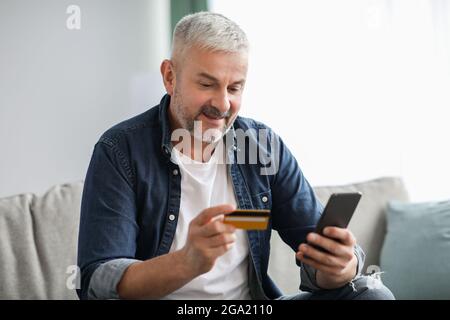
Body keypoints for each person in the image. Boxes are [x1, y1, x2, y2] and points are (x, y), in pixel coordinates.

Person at [77, 12, 394, 300]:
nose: (222, 104)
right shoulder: (120, 150)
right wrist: (186, 263)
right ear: (170, 76)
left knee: (371, 295)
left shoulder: (261, 146)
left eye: (234, 88)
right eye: (207, 84)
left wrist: (340, 267)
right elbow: (97, 282)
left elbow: (316, 252)